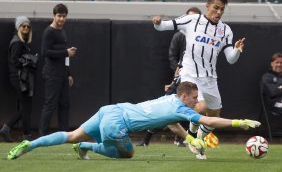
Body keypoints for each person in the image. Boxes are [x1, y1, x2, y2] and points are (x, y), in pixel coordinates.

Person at [7, 82, 260, 160]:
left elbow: (171, 123)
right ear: (184, 96)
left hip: (110, 109)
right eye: (194, 98)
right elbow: (209, 121)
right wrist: (240, 122)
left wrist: (190, 137)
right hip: (116, 125)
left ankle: (32, 143)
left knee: (71, 134)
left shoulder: (170, 99)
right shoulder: (184, 109)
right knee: (127, 154)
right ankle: (88, 147)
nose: (196, 101)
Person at [152, 0, 245, 159]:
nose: (218, 12)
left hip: (210, 78)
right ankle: (192, 134)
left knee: (214, 115)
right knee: (200, 107)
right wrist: (157, 23)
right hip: (190, 74)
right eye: (216, 8)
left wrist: (237, 50)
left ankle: (197, 141)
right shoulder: (192, 21)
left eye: (222, 10)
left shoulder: (226, 30)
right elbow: (163, 26)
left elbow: (231, 59)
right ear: (207, 6)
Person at [138, 7, 203, 147]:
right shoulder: (179, 36)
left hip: (196, 79)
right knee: (164, 106)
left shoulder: (202, 38)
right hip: (180, 78)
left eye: (195, 18)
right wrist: (175, 78)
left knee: (192, 108)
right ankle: (146, 139)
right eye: (189, 17)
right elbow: (174, 58)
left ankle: (183, 138)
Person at [39, 3, 77, 136]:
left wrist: (69, 74)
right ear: (54, 16)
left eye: (64, 16)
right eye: (59, 16)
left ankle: (64, 135)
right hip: (51, 75)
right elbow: (45, 52)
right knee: (50, 105)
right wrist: (65, 52)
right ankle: (42, 135)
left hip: (62, 75)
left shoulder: (62, 31)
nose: (61, 19)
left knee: (65, 105)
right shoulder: (48, 31)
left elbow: (65, 57)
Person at [0, 16, 38, 142]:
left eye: (28, 26)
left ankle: (22, 133)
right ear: (18, 27)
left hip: (22, 77)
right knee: (27, 107)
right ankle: (11, 129)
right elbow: (14, 60)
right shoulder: (17, 42)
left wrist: (29, 59)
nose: (26, 28)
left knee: (27, 107)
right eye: (23, 26)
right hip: (19, 78)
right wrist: (29, 60)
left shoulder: (22, 42)